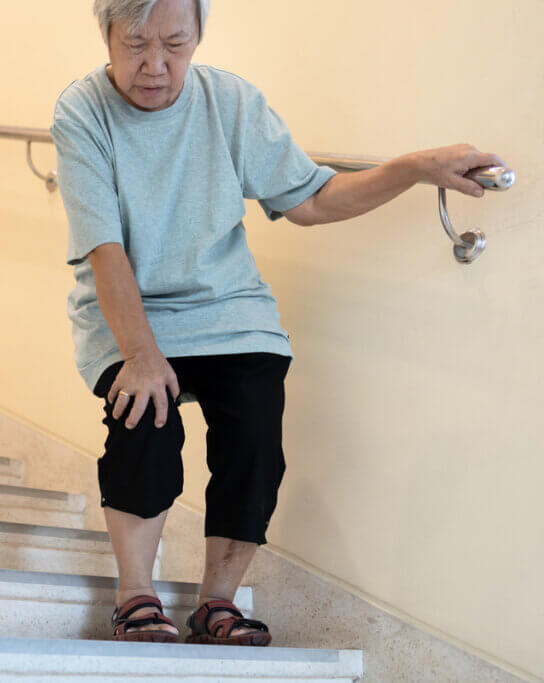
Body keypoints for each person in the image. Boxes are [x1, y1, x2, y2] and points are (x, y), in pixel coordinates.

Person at [50, 0, 505, 645]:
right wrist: (143, 354)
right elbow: (105, 250)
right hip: (131, 310)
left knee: (257, 436)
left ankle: (217, 605)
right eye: (136, 45)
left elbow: (312, 199)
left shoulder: (231, 103)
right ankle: (135, 597)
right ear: (106, 36)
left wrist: (413, 168)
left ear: (199, 34)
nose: (156, 65)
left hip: (228, 308)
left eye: (176, 44)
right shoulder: (82, 112)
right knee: (144, 418)